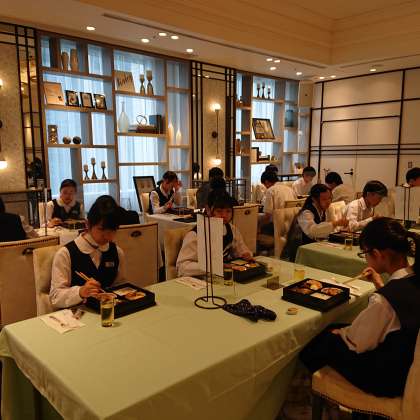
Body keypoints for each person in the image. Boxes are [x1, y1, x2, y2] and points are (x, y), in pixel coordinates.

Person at [300, 218, 420, 397]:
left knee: (315, 342)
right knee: (334, 330)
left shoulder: (383, 301)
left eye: (364, 253)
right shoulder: (415, 278)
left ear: (377, 254)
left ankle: (316, 392)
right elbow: (400, 308)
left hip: (387, 379)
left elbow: (358, 342)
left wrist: (341, 333)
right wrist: (380, 285)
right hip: (406, 363)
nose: (365, 258)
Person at [50, 195, 125, 309]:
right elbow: (55, 297)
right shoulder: (66, 254)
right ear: (87, 224)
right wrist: (80, 292)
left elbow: (120, 287)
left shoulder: (117, 252)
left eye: (112, 230)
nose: (107, 236)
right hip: (77, 315)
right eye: (101, 229)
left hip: (109, 312)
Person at [176, 190, 252, 277]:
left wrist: (246, 254)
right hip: (201, 278)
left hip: (224, 275)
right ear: (208, 210)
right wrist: (215, 267)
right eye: (219, 211)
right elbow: (182, 267)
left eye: (228, 211)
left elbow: (241, 249)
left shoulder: (231, 229)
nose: (224, 215)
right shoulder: (196, 235)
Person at [282, 184, 348, 261]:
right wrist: (334, 224)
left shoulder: (326, 209)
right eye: (324, 199)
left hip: (318, 246)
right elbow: (312, 231)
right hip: (302, 250)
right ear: (314, 199)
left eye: (330, 198)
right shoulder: (306, 212)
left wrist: (341, 229)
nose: (328, 202)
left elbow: (331, 228)